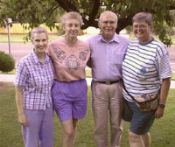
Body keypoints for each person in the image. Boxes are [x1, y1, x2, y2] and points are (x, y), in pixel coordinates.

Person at [122, 12, 172, 147]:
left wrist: (161, 105)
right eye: (135, 26)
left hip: (146, 104)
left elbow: (166, 79)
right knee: (143, 132)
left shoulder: (158, 49)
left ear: (150, 27)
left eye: (142, 26)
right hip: (128, 100)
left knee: (133, 134)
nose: (138, 29)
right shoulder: (131, 45)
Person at [48, 12, 90, 147]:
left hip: (80, 89)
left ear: (80, 27)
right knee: (69, 130)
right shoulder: (53, 45)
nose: (73, 28)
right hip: (61, 90)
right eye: (70, 25)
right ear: (64, 26)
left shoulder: (85, 46)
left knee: (73, 127)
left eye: (76, 25)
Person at [88, 11, 129, 147]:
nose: (108, 25)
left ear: (116, 24)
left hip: (118, 86)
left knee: (116, 125)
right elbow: (86, 61)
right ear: (99, 24)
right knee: (100, 126)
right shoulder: (90, 43)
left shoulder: (125, 42)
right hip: (98, 87)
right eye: (105, 22)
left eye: (112, 22)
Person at [15, 27, 54, 147]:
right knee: (31, 143)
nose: (41, 43)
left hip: (47, 108)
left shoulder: (50, 60)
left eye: (44, 40)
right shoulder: (24, 63)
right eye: (37, 40)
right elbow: (18, 90)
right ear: (32, 41)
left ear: (48, 41)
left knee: (47, 142)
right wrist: (21, 114)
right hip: (31, 110)